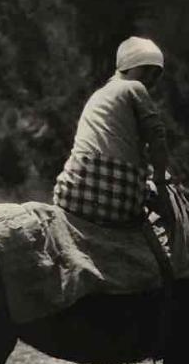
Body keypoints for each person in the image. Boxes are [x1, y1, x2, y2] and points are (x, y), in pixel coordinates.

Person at [53, 37, 178, 241]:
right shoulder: (134, 88)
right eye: (146, 70)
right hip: (119, 201)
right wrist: (161, 180)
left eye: (156, 75)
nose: (151, 79)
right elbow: (157, 138)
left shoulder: (97, 96)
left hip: (72, 194)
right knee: (169, 207)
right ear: (129, 66)